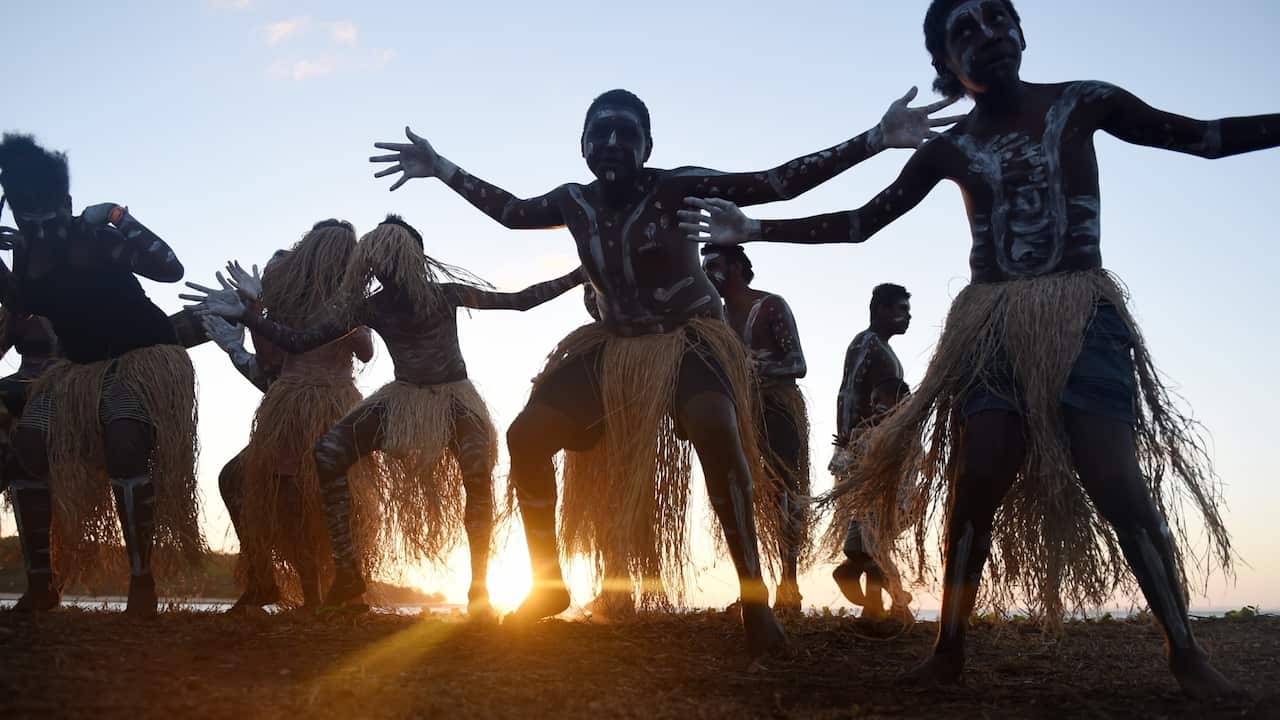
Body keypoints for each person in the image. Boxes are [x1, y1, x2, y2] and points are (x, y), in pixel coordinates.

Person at [680, 0, 1278, 696]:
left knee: (1114, 476)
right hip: (991, 325)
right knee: (978, 477)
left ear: (1023, 34)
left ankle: (1187, 652)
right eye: (966, 31)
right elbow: (862, 222)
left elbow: (1202, 137)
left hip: (1081, 314)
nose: (989, 36)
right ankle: (948, 653)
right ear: (946, 65)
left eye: (1000, 20)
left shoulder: (1082, 102)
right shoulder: (951, 148)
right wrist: (757, 227)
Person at [367, 87, 957, 653]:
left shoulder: (675, 189)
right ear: (583, 147)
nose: (614, 142)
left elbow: (776, 184)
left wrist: (875, 139)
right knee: (527, 437)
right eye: (601, 133)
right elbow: (513, 213)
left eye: (629, 132)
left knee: (714, 429)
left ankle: (756, 600)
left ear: (648, 146)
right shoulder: (575, 202)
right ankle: (547, 583)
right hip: (614, 347)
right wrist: (442, 167)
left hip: (689, 343)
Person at [187, 215, 584, 616]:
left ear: (413, 260)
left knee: (477, 475)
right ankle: (347, 573)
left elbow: (519, 300)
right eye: (378, 261)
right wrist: (251, 313)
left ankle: (479, 589)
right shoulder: (369, 307)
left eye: (392, 258)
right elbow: (299, 341)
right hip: (402, 398)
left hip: (454, 399)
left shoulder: (444, 295)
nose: (384, 269)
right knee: (328, 453)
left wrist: (580, 274)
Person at [0, 133, 202, 616]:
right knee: (27, 448)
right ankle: (42, 585)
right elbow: (24, 308)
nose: (37, 223)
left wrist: (118, 216)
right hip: (78, 372)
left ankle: (141, 583)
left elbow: (171, 269)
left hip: (142, 359)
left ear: (67, 203)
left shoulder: (98, 236)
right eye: (26, 213)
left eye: (45, 210)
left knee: (125, 441)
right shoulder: (26, 251)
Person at [199, 225, 381, 611]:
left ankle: (331, 593)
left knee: (314, 500)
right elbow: (269, 360)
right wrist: (251, 313)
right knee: (242, 481)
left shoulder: (347, 300)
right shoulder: (286, 300)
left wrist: (344, 310)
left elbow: (365, 350)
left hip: (331, 412)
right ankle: (266, 583)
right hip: (288, 411)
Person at [701, 244, 811, 614]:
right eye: (704, 266)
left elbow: (797, 363)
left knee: (783, 492)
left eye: (714, 265)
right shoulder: (713, 318)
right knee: (738, 493)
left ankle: (789, 586)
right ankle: (752, 589)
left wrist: (750, 372)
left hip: (777, 408)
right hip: (739, 415)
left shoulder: (771, 306)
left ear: (736, 267)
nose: (707, 273)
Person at [828, 283, 912, 620]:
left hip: (871, 447)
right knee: (874, 529)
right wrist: (853, 443)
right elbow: (848, 394)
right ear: (879, 310)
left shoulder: (876, 347)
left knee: (879, 528)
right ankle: (886, 602)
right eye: (900, 309)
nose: (907, 317)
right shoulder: (869, 345)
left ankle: (877, 604)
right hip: (869, 451)